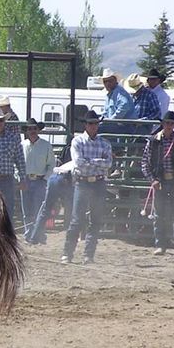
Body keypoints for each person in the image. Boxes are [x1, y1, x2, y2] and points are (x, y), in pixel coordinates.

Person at [62, 110, 113, 265]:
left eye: (95, 124)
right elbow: (78, 163)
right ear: (85, 125)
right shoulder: (78, 141)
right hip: (83, 182)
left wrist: (89, 161)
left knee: (95, 220)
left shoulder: (104, 143)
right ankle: (68, 253)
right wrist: (98, 161)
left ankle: (88, 255)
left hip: (97, 182)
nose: (93, 126)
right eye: (90, 123)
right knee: (77, 219)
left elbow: (108, 163)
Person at [141, 110, 174, 255]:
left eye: (172, 123)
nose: (169, 126)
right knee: (160, 215)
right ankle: (161, 245)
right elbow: (145, 162)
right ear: (163, 124)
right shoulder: (153, 141)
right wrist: (152, 180)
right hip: (160, 181)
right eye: (167, 123)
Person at [20, 118, 56, 241]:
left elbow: (51, 164)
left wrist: (45, 179)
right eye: (30, 129)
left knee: (39, 210)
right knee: (26, 210)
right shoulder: (22, 145)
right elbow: (16, 163)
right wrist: (19, 178)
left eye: (34, 128)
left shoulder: (46, 145)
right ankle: (28, 234)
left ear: (38, 130)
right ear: (27, 131)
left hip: (40, 181)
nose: (32, 131)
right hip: (25, 180)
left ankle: (38, 235)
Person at [26, 160, 74, 245]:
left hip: (56, 177)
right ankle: (75, 237)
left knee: (45, 210)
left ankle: (34, 238)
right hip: (66, 178)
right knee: (74, 209)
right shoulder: (89, 164)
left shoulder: (80, 160)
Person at [98, 68, 136, 134]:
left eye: (110, 81)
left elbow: (124, 105)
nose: (107, 83)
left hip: (125, 126)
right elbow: (106, 112)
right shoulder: (110, 95)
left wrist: (112, 120)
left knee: (99, 129)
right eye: (105, 81)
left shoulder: (119, 92)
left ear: (115, 80)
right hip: (117, 126)